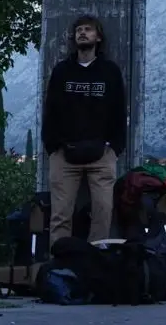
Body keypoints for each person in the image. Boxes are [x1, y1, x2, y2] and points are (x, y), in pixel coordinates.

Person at [41, 14, 127, 249]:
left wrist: (114, 148)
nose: (82, 33)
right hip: (64, 156)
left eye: (88, 29)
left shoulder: (110, 72)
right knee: (60, 215)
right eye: (79, 29)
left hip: (101, 155)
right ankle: (59, 264)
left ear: (98, 37)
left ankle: (96, 260)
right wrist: (53, 148)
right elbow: (50, 111)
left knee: (103, 211)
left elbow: (120, 111)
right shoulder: (61, 71)